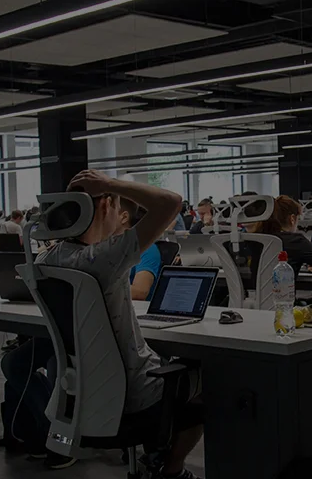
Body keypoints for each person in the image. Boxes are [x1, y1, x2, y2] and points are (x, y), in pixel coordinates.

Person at [36, 170, 202, 479]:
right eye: (115, 205)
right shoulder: (103, 257)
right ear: (104, 207)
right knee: (213, 378)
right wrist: (110, 185)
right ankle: (171, 470)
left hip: (79, 393)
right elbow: (172, 202)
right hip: (136, 392)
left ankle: (154, 455)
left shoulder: (45, 261)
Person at [258, 195, 312, 279]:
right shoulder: (296, 241)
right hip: (283, 290)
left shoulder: (258, 239)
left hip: (254, 291)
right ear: (292, 219)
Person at [124, 199, 164, 301]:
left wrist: (101, 289)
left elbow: (140, 292)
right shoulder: (113, 246)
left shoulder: (147, 249)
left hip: (134, 308)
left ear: (124, 218)